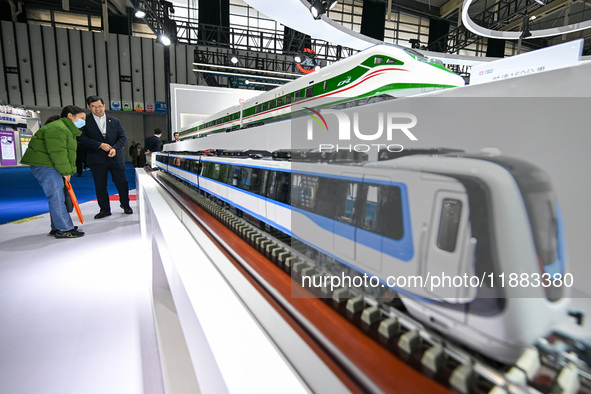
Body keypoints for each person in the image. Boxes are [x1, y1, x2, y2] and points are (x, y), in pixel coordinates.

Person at [20, 105, 87, 238]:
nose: (83, 121)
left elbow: (67, 153)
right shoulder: (58, 128)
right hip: (46, 165)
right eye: (81, 118)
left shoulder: (66, 129)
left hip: (50, 164)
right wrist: (66, 171)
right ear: (70, 116)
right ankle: (64, 229)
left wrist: (69, 171)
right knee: (56, 196)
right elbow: (58, 153)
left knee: (58, 196)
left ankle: (57, 226)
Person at [78, 95, 133, 219]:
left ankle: (125, 205)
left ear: (104, 106)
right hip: (96, 159)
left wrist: (115, 148)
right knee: (100, 185)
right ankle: (104, 209)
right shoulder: (85, 121)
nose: (97, 109)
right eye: (93, 106)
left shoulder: (114, 121)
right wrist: (99, 145)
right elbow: (81, 138)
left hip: (115, 158)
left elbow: (123, 138)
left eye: (99, 106)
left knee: (122, 183)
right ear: (88, 107)